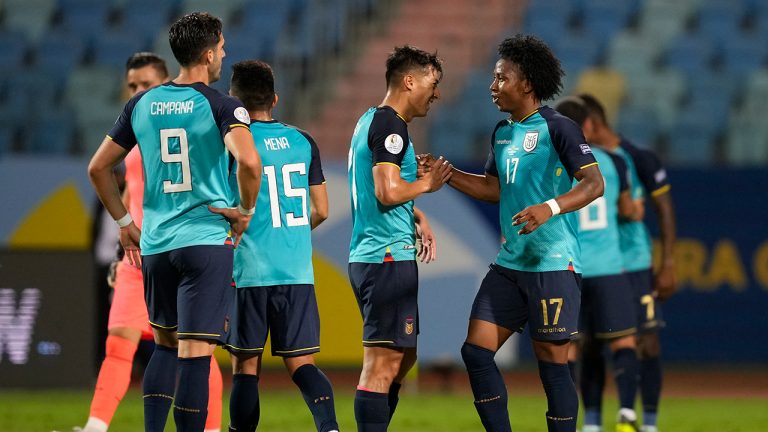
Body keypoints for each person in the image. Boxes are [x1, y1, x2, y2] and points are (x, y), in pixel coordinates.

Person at [87, 12, 261, 432]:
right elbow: (250, 162)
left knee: (163, 347)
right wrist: (244, 211)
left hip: (156, 246)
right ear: (206, 53)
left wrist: (125, 221)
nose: (223, 54)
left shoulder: (141, 104)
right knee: (196, 354)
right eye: (220, 48)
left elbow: (97, 168)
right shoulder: (222, 104)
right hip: (204, 242)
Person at [428, 34, 604, 432]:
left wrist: (550, 207)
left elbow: (594, 184)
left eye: (500, 77)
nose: (493, 86)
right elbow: (494, 189)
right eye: (494, 78)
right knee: (475, 352)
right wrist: (448, 174)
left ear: (526, 83)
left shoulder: (560, 128)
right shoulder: (503, 132)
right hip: (510, 265)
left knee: (552, 364)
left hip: (553, 264)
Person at [78, 52, 225, 432]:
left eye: (145, 85)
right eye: (132, 86)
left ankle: (208, 428)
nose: (138, 92)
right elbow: (130, 194)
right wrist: (118, 244)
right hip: (138, 255)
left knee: (196, 350)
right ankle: (95, 426)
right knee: (120, 342)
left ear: (165, 85)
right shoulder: (132, 138)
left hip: (181, 246)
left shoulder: (194, 126)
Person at [224, 59, 338, 432]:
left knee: (245, 366)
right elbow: (321, 209)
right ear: (275, 99)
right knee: (303, 365)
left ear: (233, 101)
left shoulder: (232, 143)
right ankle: (330, 428)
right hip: (296, 272)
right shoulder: (303, 141)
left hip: (250, 270)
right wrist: (287, 233)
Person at [347, 45, 452, 431]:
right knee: (382, 365)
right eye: (432, 82)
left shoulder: (370, 120)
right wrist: (428, 183)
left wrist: (417, 216)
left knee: (403, 358)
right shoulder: (390, 126)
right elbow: (386, 192)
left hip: (383, 253)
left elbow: (378, 191)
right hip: (385, 258)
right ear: (410, 81)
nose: (436, 92)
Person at [578, 94, 677, 432]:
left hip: (633, 262)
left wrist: (668, 263)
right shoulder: (578, 160)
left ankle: (647, 421)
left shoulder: (637, 158)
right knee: (591, 343)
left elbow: (663, 209)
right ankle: (594, 420)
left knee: (646, 343)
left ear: (591, 123)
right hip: (602, 264)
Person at [555, 97, 644, 432]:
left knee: (573, 348)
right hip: (608, 268)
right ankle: (626, 415)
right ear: (587, 126)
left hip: (570, 269)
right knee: (623, 342)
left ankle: (585, 420)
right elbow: (629, 210)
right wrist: (632, 210)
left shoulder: (555, 163)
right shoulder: (613, 162)